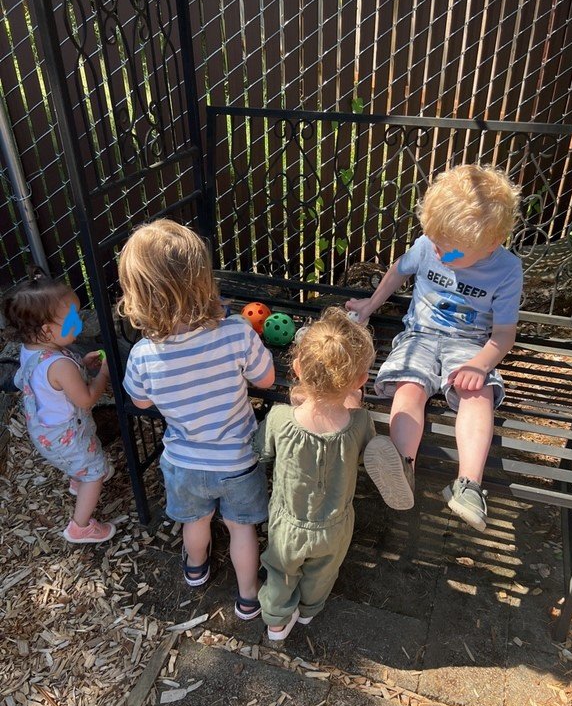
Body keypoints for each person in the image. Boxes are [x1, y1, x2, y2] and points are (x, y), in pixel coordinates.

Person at [346, 164, 522, 531]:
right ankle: (401, 468)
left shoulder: (506, 269)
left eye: (450, 252)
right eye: (434, 242)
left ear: (490, 244)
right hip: (419, 337)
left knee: (478, 395)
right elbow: (400, 269)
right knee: (409, 387)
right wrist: (370, 304)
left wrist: (480, 365)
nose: (438, 253)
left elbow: (504, 334)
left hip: (470, 344)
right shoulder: (431, 245)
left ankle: (468, 486)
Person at [118, 219, 275, 619]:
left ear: (138, 293)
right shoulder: (236, 332)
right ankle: (248, 596)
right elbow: (267, 380)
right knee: (241, 529)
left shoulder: (143, 355)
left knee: (197, 521)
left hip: (184, 461)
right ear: (203, 280)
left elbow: (139, 401)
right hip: (237, 459)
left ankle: (195, 568)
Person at [254, 307, 376, 641]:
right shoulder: (361, 423)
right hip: (335, 525)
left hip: (288, 524)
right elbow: (364, 454)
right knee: (323, 572)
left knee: (280, 571)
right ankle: (309, 610)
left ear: (296, 368)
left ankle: (277, 621)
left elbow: (261, 452)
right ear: (360, 381)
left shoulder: (281, 418)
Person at [2, 268, 115, 543]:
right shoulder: (60, 365)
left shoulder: (32, 350)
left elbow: (41, 382)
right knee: (96, 472)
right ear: (46, 331)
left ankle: (78, 475)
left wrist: (82, 366)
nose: (79, 323)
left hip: (46, 431)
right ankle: (80, 526)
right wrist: (103, 374)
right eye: (73, 319)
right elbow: (86, 399)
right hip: (67, 435)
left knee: (82, 459)